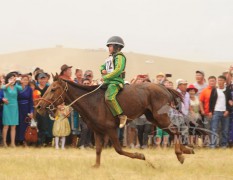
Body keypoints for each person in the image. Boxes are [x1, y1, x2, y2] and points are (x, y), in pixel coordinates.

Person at [100, 36, 127, 128]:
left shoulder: (120, 57)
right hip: (108, 81)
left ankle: (121, 115)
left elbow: (118, 70)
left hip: (116, 81)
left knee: (109, 97)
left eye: (110, 46)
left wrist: (106, 76)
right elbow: (102, 66)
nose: (108, 48)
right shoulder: (110, 58)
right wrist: (102, 70)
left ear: (116, 46)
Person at [209, 75, 232, 148]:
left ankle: (224, 145)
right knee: (214, 129)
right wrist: (210, 111)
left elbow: (230, 101)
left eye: (221, 80)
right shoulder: (214, 90)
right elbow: (211, 101)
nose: (219, 82)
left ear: (224, 81)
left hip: (225, 112)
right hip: (216, 111)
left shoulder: (227, 90)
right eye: (218, 80)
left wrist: (228, 110)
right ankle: (213, 145)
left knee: (225, 130)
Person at [1, 72, 22, 147]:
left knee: (14, 126)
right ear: (8, 79)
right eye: (11, 78)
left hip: (15, 107)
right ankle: (4, 142)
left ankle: (13, 143)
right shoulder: (6, 86)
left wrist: (17, 81)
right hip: (7, 107)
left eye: (13, 78)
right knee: (6, 126)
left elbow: (21, 88)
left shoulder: (16, 86)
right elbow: (2, 88)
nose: (12, 79)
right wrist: (10, 83)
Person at [16, 74, 34, 145]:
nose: (25, 81)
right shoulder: (17, 88)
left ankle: (25, 140)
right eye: (24, 79)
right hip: (18, 108)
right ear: (21, 80)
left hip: (26, 108)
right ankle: (18, 140)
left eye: (27, 80)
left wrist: (31, 111)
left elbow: (31, 101)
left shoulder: (29, 89)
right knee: (18, 124)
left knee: (25, 124)